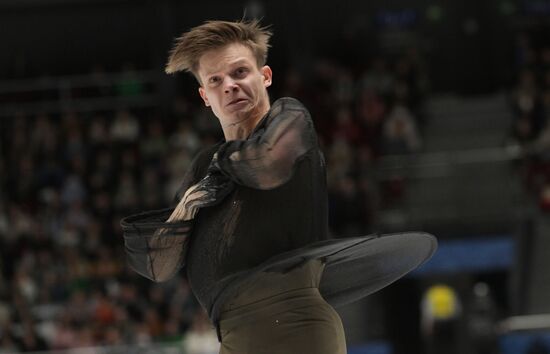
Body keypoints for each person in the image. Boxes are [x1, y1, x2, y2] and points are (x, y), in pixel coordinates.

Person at [121, 20, 437, 354]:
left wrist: (216, 171)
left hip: (295, 325)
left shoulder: (289, 118)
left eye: (240, 72)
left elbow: (267, 163)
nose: (229, 85)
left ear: (265, 76)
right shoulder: (204, 164)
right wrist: (184, 209)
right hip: (233, 335)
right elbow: (159, 266)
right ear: (204, 96)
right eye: (215, 80)